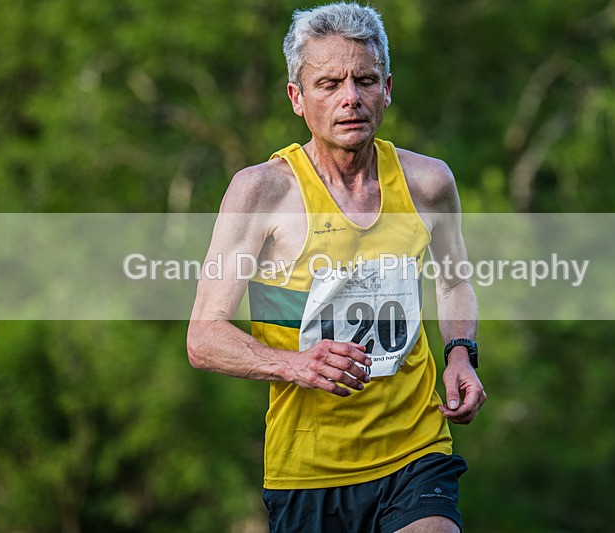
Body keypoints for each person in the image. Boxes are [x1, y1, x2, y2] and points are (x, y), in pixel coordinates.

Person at [187, 3, 486, 531]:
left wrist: (461, 352)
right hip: (308, 470)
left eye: (365, 80)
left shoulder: (428, 183)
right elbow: (204, 336)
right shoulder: (262, 191)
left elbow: (454, 279)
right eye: (328, 84)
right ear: (297, 98)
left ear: (387, 88)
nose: (350, 98)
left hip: (415, 450)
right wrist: (293, 364)